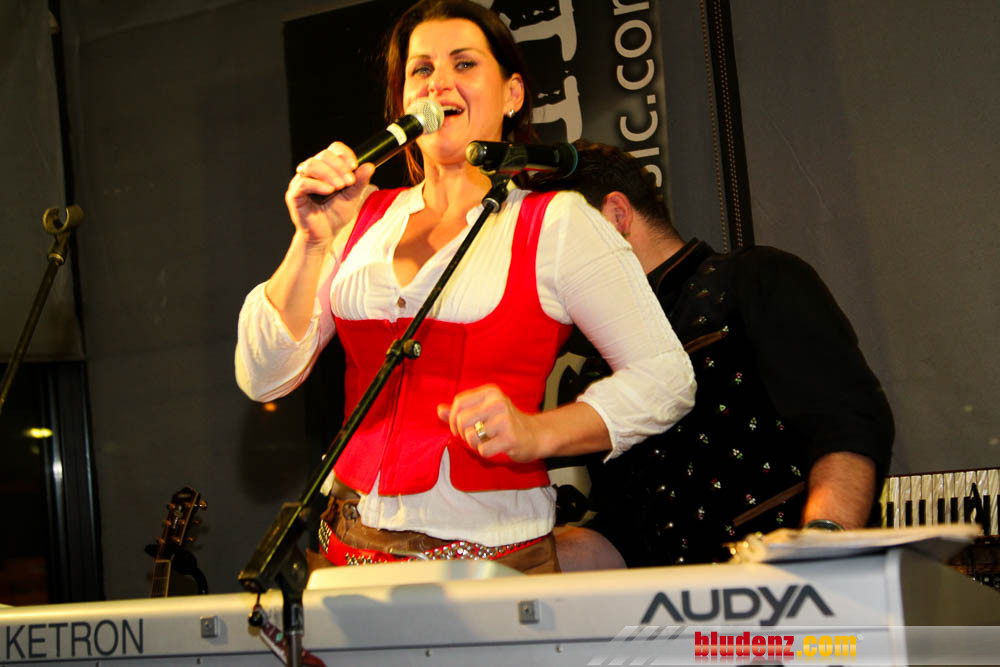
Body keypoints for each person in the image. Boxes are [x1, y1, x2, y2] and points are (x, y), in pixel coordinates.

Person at [234, 2, 695, 574]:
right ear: (403, 102)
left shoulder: (557, 223)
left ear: (512, 93)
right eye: (421, 69)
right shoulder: (358, 218)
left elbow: (666, 378)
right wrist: (309, 241)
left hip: (494, 566)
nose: (439, 83)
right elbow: (265, 376)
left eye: (464, 63)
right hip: (344, 555)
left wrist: (536, 433)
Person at [531, 141, 894, 569]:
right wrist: (521, 565)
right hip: (675, 605)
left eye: (555, 249)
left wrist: (822, 546)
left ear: (617, 216)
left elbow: (847, 424)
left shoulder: (753, 278)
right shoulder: (596, 367)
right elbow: (626, 532)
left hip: (791, 587)